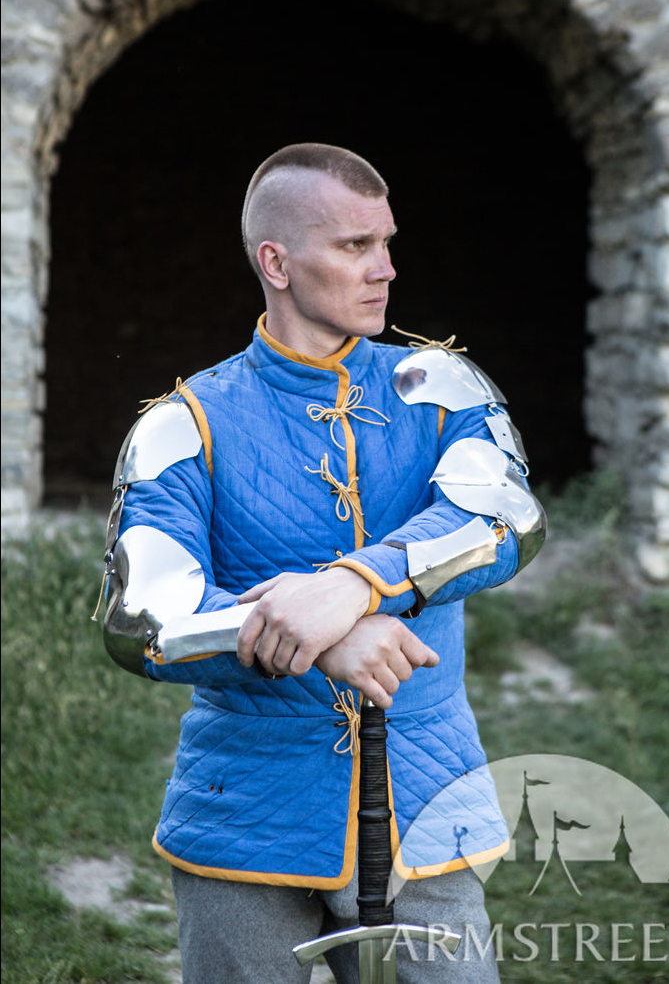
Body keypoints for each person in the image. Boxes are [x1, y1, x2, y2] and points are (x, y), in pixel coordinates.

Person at [100, 142, 545, 983]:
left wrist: (352, 586)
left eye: (386, 242)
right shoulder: (183, 423)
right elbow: (143, 619)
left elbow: (505, 517)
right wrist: (326, 639)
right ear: (276, 263)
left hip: (426, 799)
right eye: (354, 246)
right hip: (244, 812)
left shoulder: (441, 389)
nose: (386, 268)